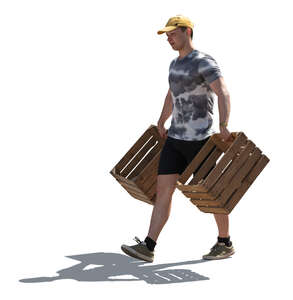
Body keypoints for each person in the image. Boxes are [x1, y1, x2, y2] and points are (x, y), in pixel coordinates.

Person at [121, 15, 235, 263]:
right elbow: (172, 95)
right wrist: (162, 121)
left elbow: (223, 92)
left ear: (187, 31)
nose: (169, 38)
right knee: (163, 192)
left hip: (200, 141)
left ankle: (224, 241)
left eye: (173, 33)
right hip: (175, 139)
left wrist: (224, 125)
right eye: (167, 35)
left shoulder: (203, 62)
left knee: (211, 193)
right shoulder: (174, 65)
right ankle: (149, 245)